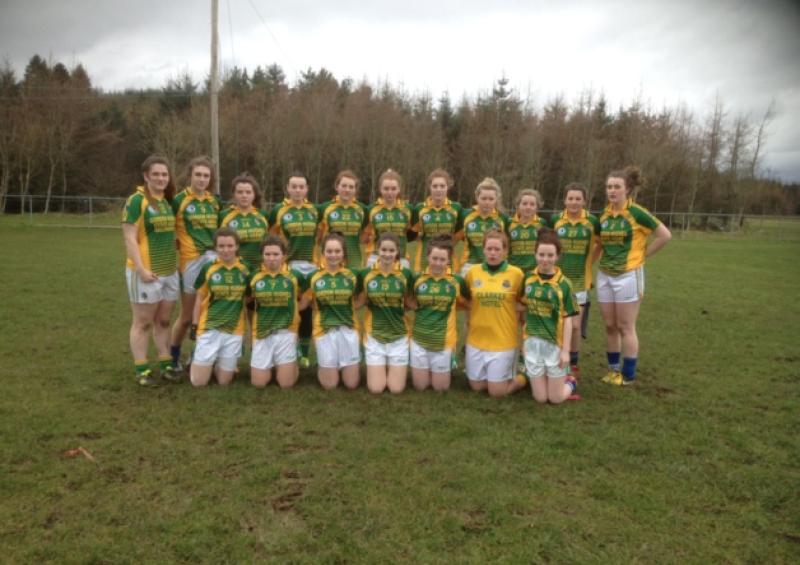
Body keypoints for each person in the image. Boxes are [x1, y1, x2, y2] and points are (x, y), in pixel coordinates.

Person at [597, 166, 671, 385]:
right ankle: (613, 371)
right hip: (604, 275)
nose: (612, 191)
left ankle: (628, 375)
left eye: (617, 187)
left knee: (625, 326)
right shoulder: (605, 214)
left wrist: (643, 255)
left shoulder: (637, 212)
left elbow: (664, 235)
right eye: (609, 187)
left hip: (628, 275)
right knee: (610, 325)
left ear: (627, 189)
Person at [122, 155, 179, 386]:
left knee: (164, 320)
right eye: (156, 174)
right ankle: (142, 370)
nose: (161, 178)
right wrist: (141, 269)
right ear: (146, 176)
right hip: (146, 272)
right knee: (143, 322)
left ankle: (166, 364)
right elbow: (129, 237)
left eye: (164, 174)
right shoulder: (136, 200)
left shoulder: (167, 201)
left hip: (169, 271)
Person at [169, 156, 220, 373]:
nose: (201, 179)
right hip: (190, 262)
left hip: (213, 260)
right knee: (187, 316)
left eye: (206, 176)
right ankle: (173, 355)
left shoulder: (214, 201)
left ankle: (199, 355)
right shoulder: (179, 200)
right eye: (197, 175)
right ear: (189, 175)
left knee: (208, 313)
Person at [463, 229, 528, 396]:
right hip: (476, 339)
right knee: (477, 387)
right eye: (489, 248)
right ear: (483, 249)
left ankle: (523, 377)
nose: (493, 253)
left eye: (497, 249)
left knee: (496, 392)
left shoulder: (516, 274)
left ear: (505, 251)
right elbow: (467, 302)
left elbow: (523, 304)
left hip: (503, 340)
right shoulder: (472, 273)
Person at [520, 228, 580, 403]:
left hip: (555, 345)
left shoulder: (564, 284)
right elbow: (522, 308)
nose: (545, 260)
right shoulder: (528, 279)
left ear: (557, 256)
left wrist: (566, 351)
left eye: (550, 255)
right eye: (541, 255)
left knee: (555, 399)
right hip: (532, 343)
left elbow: (568, 319)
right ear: (535, 254)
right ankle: (548, 379)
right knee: (540, 398)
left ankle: (571, 381)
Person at [269, 172, 320, 368]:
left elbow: (322, 234)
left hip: (311, 266)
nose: (298, 190)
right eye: (294, 186)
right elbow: (272, 238)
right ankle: (286, 349)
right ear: (287, 189)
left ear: (306, 189)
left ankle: (304, 353)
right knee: (287, 308)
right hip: (288, 266)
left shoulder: (314, 211)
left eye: (301, 186)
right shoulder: (278, 210)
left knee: (306, 310)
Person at [550, 182, 600, 378]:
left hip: (580, 281)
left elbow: (601, 244)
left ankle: (574, 360)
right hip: (558, 280)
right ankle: (558, 357)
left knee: (576, 325)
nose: (574, 202)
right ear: (565, 200)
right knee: (558, 323)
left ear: (584, 201)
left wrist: (590, 262)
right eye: (570, 198)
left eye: (578, 199)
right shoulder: (555, 220)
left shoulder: (592, 222)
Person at [189, 228, 250, 387]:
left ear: (237, 246)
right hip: (210, 327)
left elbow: (251, 296)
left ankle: (217, 361)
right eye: (221, 246)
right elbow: (199, 298)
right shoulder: (208, 267)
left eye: (230, 246)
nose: (226, 250)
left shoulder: (246, 269)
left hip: (233, 330)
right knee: (198, 382)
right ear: (215, 248)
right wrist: (195, 325)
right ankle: (201, 355)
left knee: (224, 382)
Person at [249, 235, 310, 389]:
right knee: (259, 383)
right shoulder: (254, 277)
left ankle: (292, 358)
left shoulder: (294, 276)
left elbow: (306, 296)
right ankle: (272, 362)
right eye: (267, 254)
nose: (271, 258)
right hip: (262, 331)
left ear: (284, 256)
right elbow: (247, 299)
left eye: (276, 254)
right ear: (262, 256)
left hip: (286, 331)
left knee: (286, 384)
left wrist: (296, 311)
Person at [409, 235, 468, 392]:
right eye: (434, 258)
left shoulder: (456, 281)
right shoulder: (417, 279)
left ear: (448, 260)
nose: (438, 263)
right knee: (420, 386)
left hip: (444, 342)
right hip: (419, 340)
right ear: (428, 257)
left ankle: (445, 362)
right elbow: (409, 302)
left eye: (442, 260)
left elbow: (467, 303)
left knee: (440, 388)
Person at [306, 232, 364, 390]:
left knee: (351, 384)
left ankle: (343, 362)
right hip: (324, 331)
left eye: (337, 251)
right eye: (329, 251)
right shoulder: (314, 277)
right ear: (323, 253)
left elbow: (362, 297)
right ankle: (326, 364)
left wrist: (353, 307)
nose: (333, 255)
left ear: (343, 253)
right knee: (330, 385)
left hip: (348, 329)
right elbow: (305, 301)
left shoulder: (352, 275)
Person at [361, 232, 414, 394]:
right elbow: (360, 301)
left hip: (399, 335)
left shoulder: (406, 274)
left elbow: (409, 302)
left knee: (396, 389)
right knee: (376, 389)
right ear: (377, 250)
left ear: (397, 252)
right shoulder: (366, 274)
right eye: (384, 250)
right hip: (375, 336)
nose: (387, 254)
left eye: (391, 251)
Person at [412, 168, 463, 272]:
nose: (438, 189)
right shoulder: (420, 208)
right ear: (429, 187)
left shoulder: (456, 208)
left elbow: (458, 235)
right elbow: (413, 235)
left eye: (442, 186)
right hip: (424, 261)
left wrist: (446, 245)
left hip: (448, 261)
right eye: (435, 186)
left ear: (447, 187)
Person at [218, 173, 269, 274]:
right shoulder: (224, 216)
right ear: (234, 194)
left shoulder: (263, 215)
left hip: (259, 269)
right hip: (235, 270)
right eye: (240, 192)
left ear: (254, 194)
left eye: (248, 192)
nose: (244, 195)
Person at [364, 169, 415, 269]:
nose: (389, 192)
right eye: (386, 189)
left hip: (401, 258)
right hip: (376, 258)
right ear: (380, 189)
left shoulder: (408, 209)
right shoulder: (371, 209)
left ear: (399, 189)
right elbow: (365, 236)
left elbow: (412, 234)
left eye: (393, 188)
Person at [459, 177, 510, 276]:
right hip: (470, 265)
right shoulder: (465, 215)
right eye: (483, 198)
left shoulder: (503, 219)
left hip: (495, 266)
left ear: (496, 199)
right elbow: (455, 238)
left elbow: (506, 245)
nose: (487, 202)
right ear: (477, 197)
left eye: (491, 199)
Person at [317, 170, 368, 269]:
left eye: (351, 187)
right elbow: (318, 236)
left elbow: (365, 232)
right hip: (331, 261)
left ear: (355, 190)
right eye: (344, 186)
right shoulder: (325, 208)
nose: (347, 190)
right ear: (337, 187)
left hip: (354, 261)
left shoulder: (362, 209)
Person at [508, 189, 547, 277]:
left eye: (532, 204)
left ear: (537, 207)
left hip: (535, 272)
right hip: (513, 271)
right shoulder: (509, 223)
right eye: (524, 204)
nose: (528, 207)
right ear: (518, 205)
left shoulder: (542, 223)